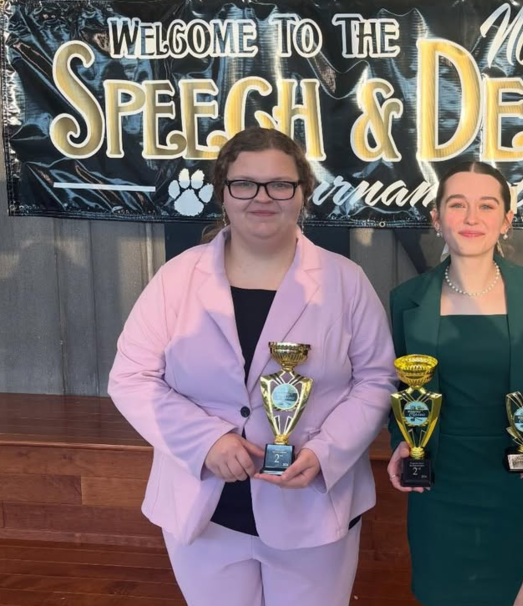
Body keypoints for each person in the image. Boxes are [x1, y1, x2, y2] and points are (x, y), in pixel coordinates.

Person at [108, 127, 396, 606]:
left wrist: (326, 453)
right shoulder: (177, 277)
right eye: (245, 184)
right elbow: (131, 377)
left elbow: (375, 379)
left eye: (281, 184)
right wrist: (206, 441)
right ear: (223, 191)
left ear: (303, 193)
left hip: (313, 504)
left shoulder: (346, 281)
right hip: (205, 509)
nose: (263, 197)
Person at [387, 160, 523, 606]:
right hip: (437, 482)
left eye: (486, 206)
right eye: (457, 204)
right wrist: (402, 439)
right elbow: (395, 389)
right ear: (436, 218)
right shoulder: (407, 299)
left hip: (514, 481)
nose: (472, 218)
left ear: (506, 221)